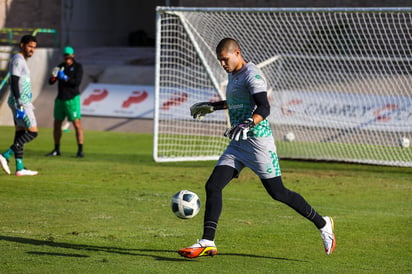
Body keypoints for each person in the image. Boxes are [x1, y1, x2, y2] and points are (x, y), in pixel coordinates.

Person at [178, 38, 336, 258]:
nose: (223, 64)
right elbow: (236, 101)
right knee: (213, 186)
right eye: (220, 61)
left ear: (237, 53)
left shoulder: (253, 75)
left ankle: (323, 223)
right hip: (238, 143)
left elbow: (264, 106)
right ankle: (207, 241)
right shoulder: (233, 74)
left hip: (259, 143)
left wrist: (249, 122)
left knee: (278, 193)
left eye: (225, 59)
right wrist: (212, 106)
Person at [0, 35, 39, 176]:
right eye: (30, 46)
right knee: (33, 132)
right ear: (22, 45)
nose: (32, 50)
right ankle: (5, 155)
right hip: (21, 102)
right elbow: (14, 80)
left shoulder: (22, 60)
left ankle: (20, 167)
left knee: (20, 132)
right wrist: (20, 102)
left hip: (21, 101)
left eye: (34, 47)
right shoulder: (18, 59)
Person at [46, 46, 84, 157]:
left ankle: (80, 150)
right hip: (60, 99)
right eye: (65, 55)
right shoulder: (60, 66)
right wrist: (54, 77)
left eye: (69, 55)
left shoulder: (78, 67)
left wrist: (65, 77)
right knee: (57, 123)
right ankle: (56, 149)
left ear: (73, 55)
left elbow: (77, 82)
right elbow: (51, 82)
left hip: (72, 99)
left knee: (77, 124)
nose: (67, 57)